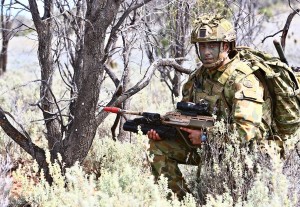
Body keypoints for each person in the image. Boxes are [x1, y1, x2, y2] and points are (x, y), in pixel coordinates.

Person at [147, 14, 273, 199]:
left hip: (244, 153)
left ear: (226, 46)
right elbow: (187, 116)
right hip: (210, 145)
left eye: (212, 46)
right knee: (157, 147)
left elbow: (246, 132)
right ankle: (183, 201)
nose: (206, 52)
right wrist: (165, 129)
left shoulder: (243, 79)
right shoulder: (198, 77)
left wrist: (206, 138)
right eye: (202, 46)